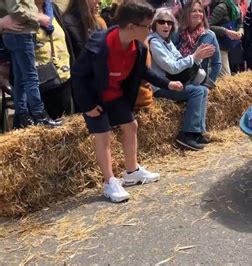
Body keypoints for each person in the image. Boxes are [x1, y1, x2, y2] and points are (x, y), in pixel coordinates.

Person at [71, 1, 183, 203]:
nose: (150, 31)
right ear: (131, 27)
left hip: (116, 96)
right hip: (94, 98)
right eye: (147, 27)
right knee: (103, 135)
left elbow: (144, 72)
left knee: (131, 125)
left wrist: (168, 84)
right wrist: (87, 106)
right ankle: (110, 182)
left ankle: (131, 172)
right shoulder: (99, 45)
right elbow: (78, 75)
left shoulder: (137, 48)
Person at [149, 8, 214, 150]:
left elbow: (179, 59)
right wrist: (194, 57)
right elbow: (172, 67)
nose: (166, 25)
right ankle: (187, 135)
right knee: (196, 91)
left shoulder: (166, 41)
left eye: (169, 22)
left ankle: (197, 132)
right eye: (161, 22)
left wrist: (196, 58)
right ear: (154, 24)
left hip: (172, 83)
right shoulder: (154, 42)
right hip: (160, 87)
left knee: (203, 89)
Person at [1, 0, 61, 129]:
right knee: (30, 77)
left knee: (21, 79)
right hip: (21, 34)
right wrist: (38, 18)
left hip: (18, 34)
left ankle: (22, 115)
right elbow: (16, 9)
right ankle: (40, 115)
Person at [34, 0, 74, 119]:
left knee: (63, 124)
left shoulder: (52, 9)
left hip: (63, 76)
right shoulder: (22, 14)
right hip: (40, 81)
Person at [175, 0, 221, 89]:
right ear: (187, 14)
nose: (198, 13)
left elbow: (217, 63)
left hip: (198, 83)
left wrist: (208, 85)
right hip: (178, 81)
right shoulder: (177, 33)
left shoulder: (209, 35)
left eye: (200, 11)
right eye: (194, 11)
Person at [208, 0, 243, 75]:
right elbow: (208, 27)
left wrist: (240, 31)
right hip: (219, 46)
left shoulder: (238, 8)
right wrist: (226, 31)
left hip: (231, 46)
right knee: (225, 76)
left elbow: (240, 24)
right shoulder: (221, 8)